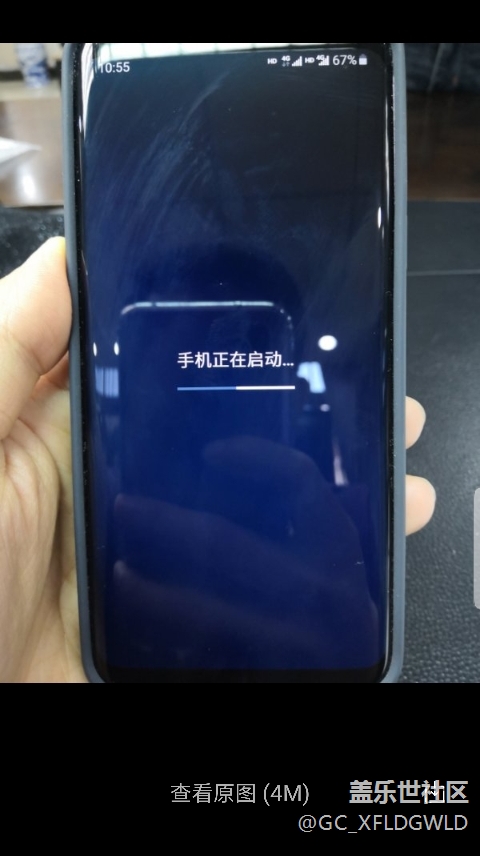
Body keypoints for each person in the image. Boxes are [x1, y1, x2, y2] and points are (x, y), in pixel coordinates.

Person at [0, 239, 437, 683]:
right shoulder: (74, 526)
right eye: (174, 395)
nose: (196, 416)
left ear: (295, 393)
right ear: (123, 400)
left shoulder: (350, 528)